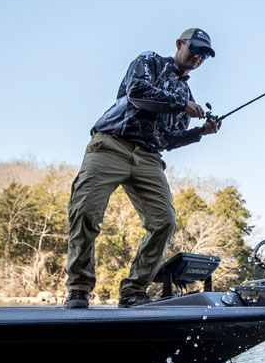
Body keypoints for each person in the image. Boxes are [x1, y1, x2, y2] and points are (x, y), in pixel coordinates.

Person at [64, 28, 222, 308]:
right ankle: (79, 287)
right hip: (111, 145)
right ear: (179, 44)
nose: (198, 57)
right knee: (86, 211)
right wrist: (181, 105)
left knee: (164, 222)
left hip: (149, 157)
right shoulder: (149, 61)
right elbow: (138, 93)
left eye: (205, 54)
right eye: (194, 49)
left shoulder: (185, 91)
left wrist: (200, 133)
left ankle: (134, 290)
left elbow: (169, 139)